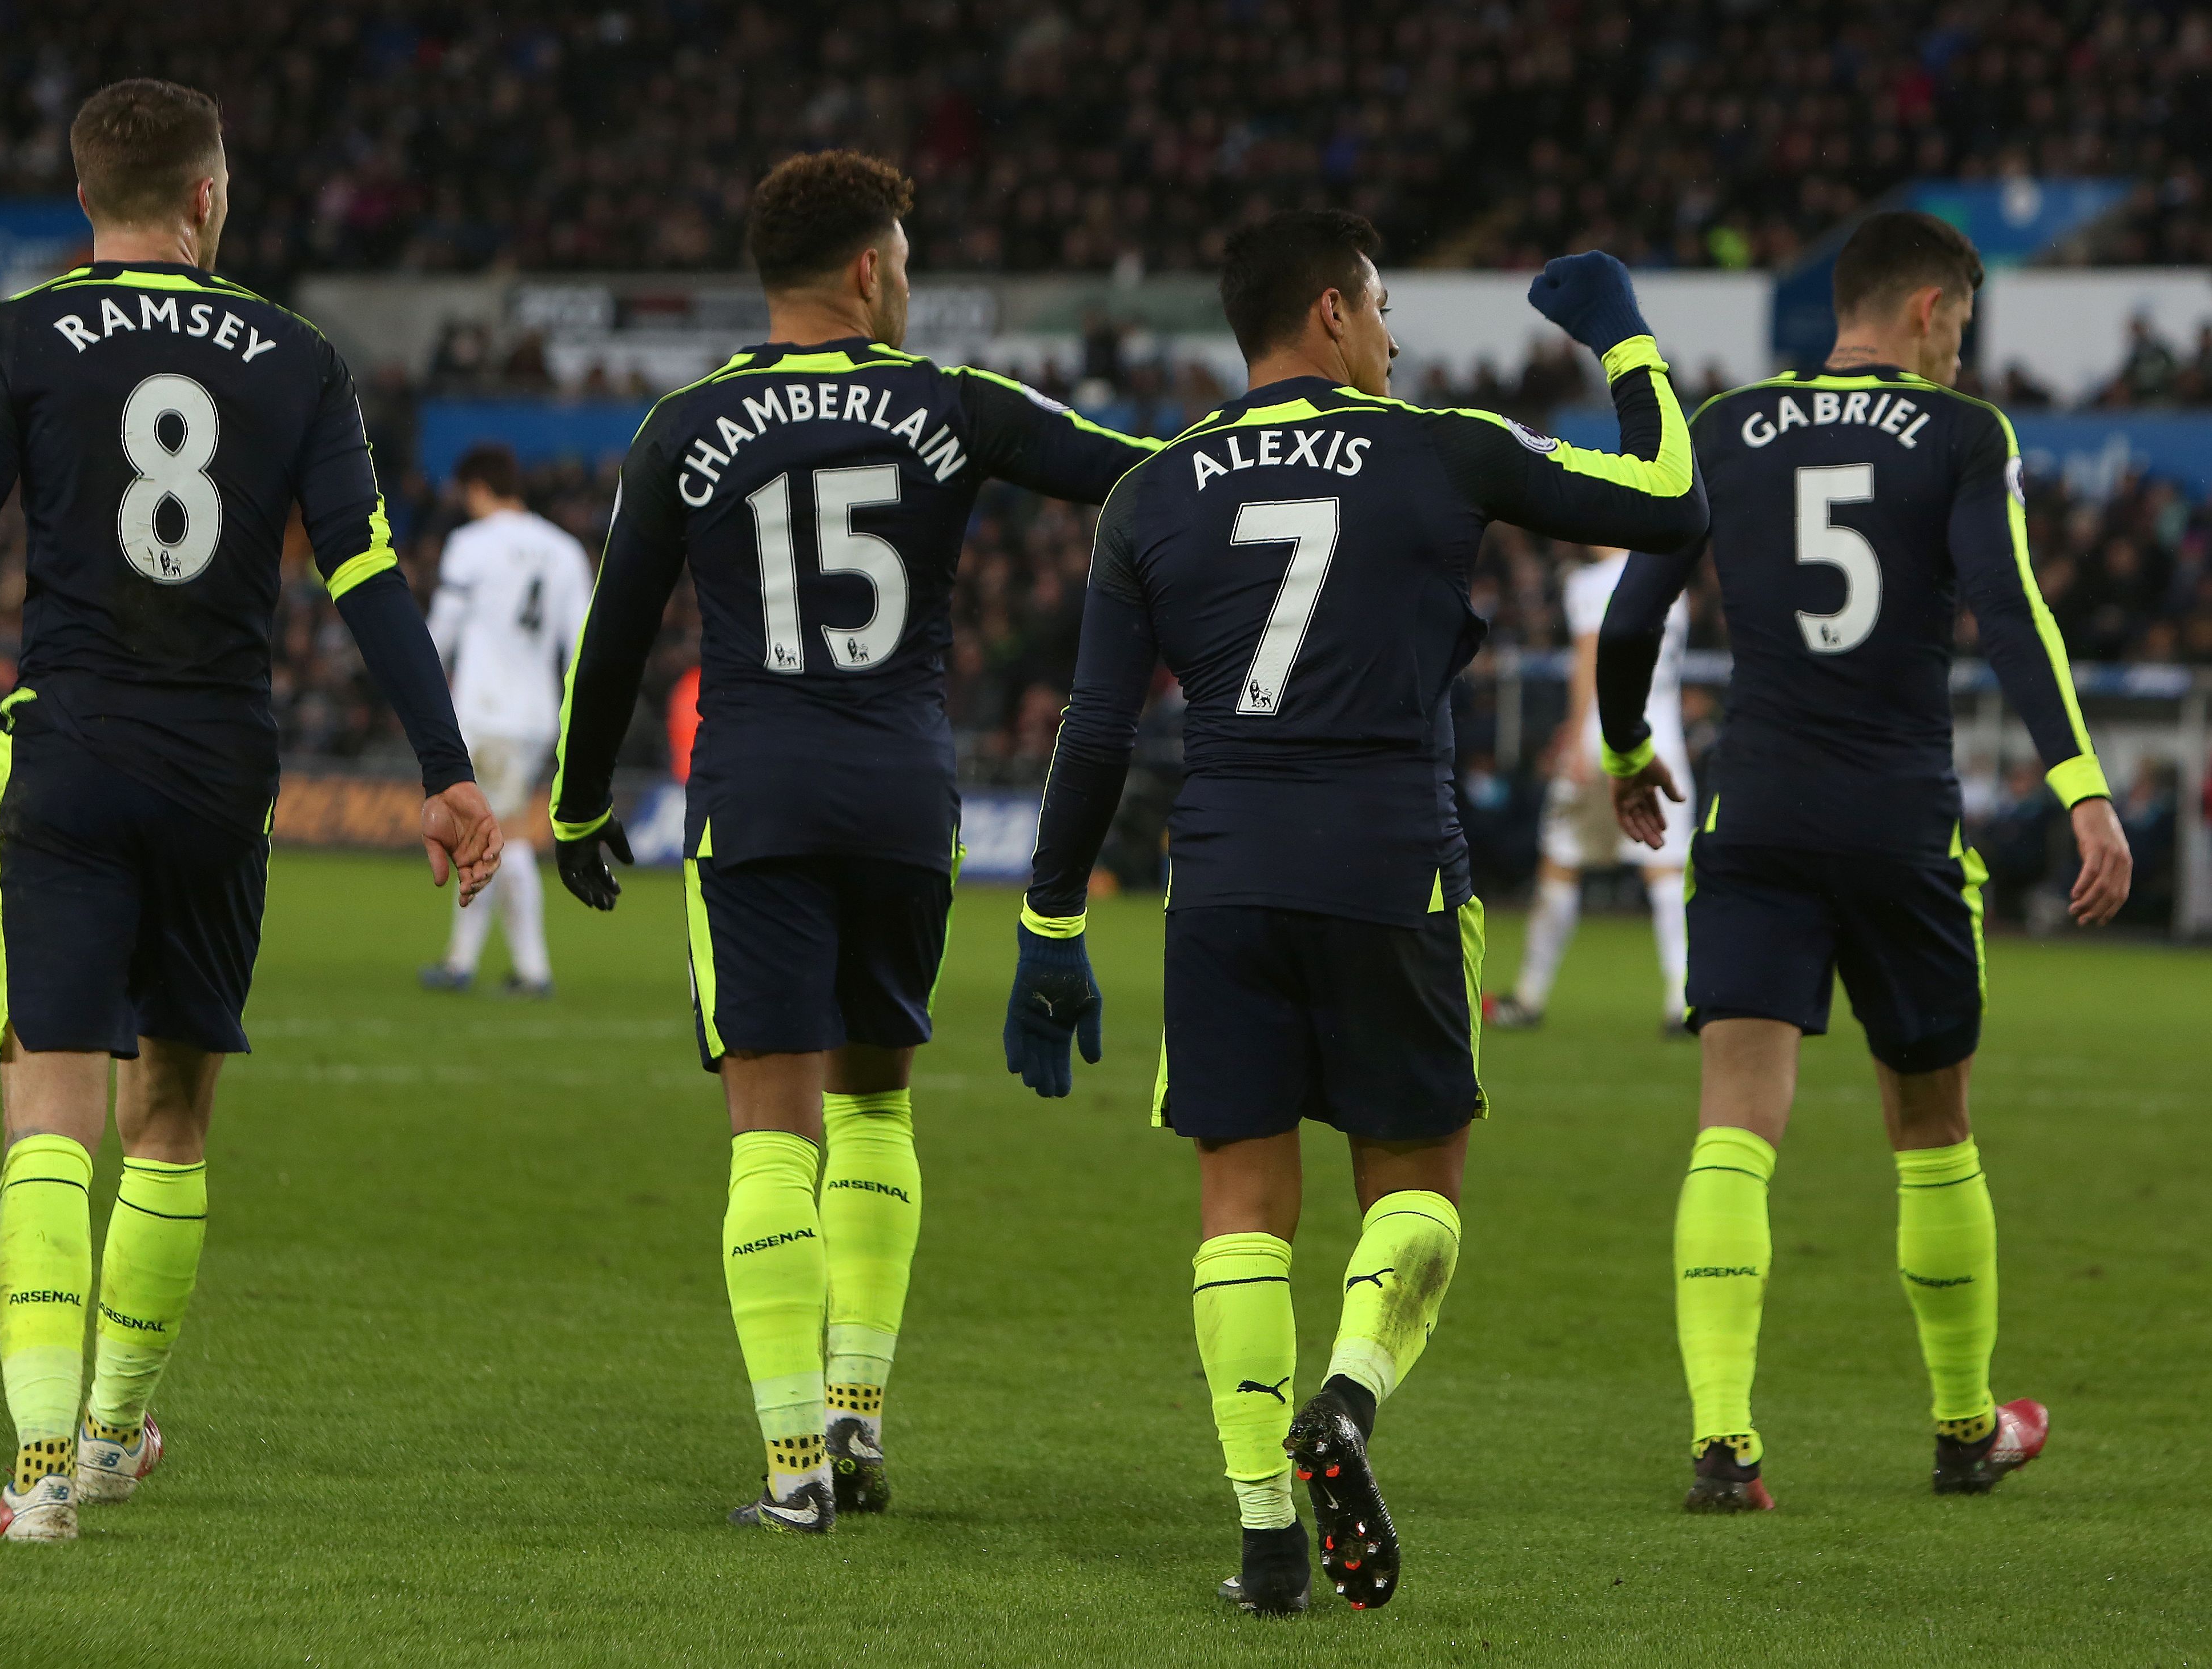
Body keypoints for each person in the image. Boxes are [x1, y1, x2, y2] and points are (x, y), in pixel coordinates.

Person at [1005, 212, 1705, 1615]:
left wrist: (1050, 926)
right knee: (1421, 1191)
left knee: (1239, 1209)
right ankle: (1346, 1397)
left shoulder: (1154, 488)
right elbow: (1674, 500)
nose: (1395, 335)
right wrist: (1623, 333)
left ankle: (1267, 1543)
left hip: (1221, 871)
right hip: (1392, 859)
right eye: (1381, 307)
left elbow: (1093, 730)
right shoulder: (1442, 445)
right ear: (1328, 312)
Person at [0, 79, 500, 1543]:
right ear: (209, 197)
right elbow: (364, 576)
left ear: (87, 200)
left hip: (70, 746)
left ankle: (35, 1477)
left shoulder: (17, 333)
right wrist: (443, 765)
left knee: (47, 1107)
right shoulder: (299, 354)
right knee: (174, 1113)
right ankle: (104, 1436)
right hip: (224, 762)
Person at [548, 151, 1157, 1534]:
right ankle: (858, 1414)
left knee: (770, 1121)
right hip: (905, 795)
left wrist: (582, 803)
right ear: (873, 271)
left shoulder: (687, 423)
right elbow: (1133, 474)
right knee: (877, 1098)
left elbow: (618, 634)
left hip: (756, 791)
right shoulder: (955, 404)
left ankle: (790, 1471)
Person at [1596, 210, 2132, 1514]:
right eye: (1962, 322)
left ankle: (1724, 1444)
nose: (1962, 348)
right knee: (1932, 1127)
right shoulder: (1962, 435)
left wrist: (1625, 756)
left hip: (1757, 804)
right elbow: (2009, 614)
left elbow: (1631, 616)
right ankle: (1962, 1427)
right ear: (1929, 309)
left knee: (1735, 1124)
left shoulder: (1723, 425)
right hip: (1899, 816)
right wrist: (2083, 790)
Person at [1488, 542, 1693, 1033]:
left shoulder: (1591, 582)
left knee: (1561, 863)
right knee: (1666, 872)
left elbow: (1591, 660)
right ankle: (1682, 1000)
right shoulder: (1669, 575)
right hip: (1662, 736)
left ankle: (1530, 995)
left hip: (1604, 737)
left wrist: (1576, 735)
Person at [419, 443, 594, 997]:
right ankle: (461, 960)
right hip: (538, 714)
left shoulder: (471, 545)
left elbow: (439, 634)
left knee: (507, 837)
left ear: (476, 488)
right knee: (489, 828)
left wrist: (421, 697)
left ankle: (532, 970)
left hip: (488, 710)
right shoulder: (565, 550)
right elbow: (583, 643)